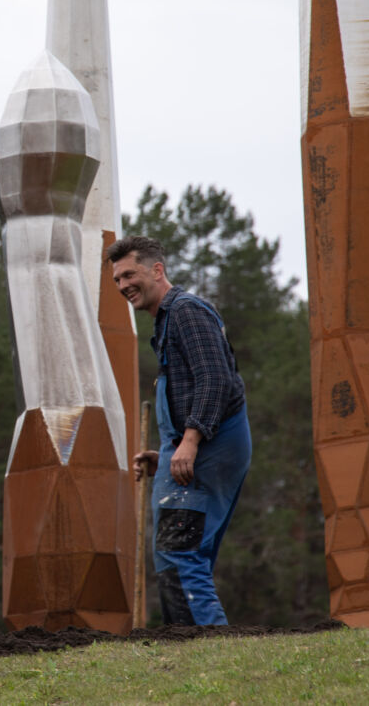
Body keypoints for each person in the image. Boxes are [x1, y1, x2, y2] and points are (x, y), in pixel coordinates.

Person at [106, 236, 251, 626]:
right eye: (117, 280)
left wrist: (190, 442)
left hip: (211, 444)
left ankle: (204, 645)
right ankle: (195, 643)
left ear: (157, 270)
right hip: (197, 445)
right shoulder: (167, 320)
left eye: (129, 275)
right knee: (185, 551)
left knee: (179, 552)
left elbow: (215, 379)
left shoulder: (186, 311)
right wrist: (166, 453)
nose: (122, 286)